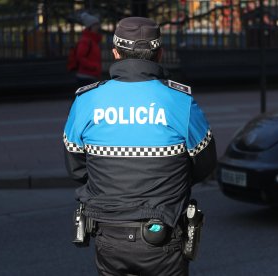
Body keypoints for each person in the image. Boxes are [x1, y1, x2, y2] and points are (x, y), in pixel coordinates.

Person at [63, 17, 217, 276]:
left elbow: (76, 168)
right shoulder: (179, 101)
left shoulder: (86, 100)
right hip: (164, 236)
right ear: (160, 54)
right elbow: (205, 163)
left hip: (108, 234)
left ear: (115, 52)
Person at [75, 12, 102, 87]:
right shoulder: (86, 40)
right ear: (91, 26)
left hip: (91, 75)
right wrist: (93, 67)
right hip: (86, 76)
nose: (98, 26)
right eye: (96, 24)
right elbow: (80, 57)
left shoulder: (93, 40)